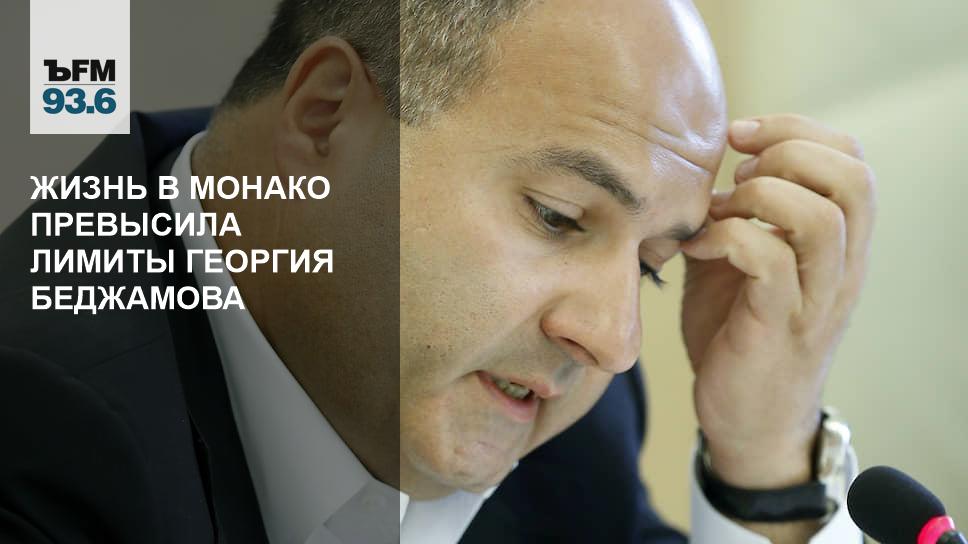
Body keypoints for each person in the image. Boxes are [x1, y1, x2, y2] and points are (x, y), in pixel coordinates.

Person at [0, 0, 876, 543]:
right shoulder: (32, 434)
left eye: (651, 267)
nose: (612, 342)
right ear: (326, 116)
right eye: (557, 216)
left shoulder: (565, 421)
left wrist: (764, 457)